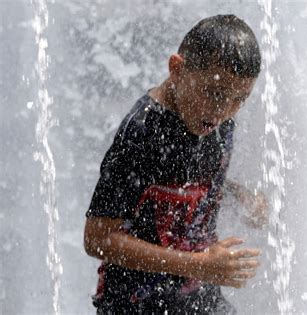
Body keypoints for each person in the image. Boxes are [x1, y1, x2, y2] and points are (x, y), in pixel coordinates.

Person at [84, 14, 268, 314]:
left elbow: (191, 181)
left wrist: (239, 196)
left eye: (240, 99)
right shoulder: (142, 130)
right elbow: (97, 238)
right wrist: (198, 264)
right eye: (214, 92)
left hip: (201, 299)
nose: (223, 110)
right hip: (137, 304)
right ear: (177, 69)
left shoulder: (215, 120)